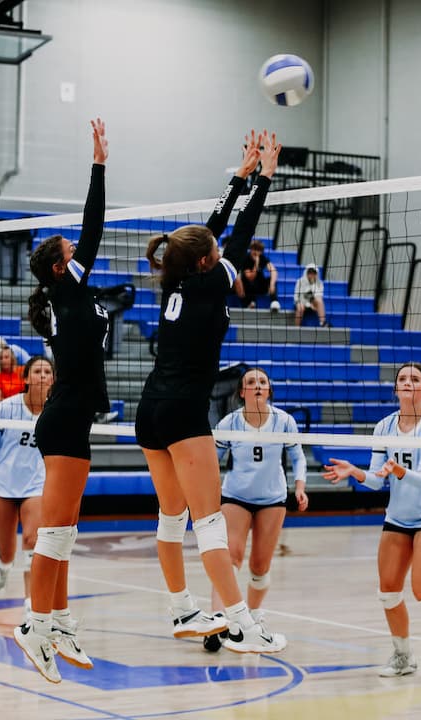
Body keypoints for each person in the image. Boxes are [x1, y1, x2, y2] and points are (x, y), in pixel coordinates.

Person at [135, 129, 286, 654]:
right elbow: (237, 231)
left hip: (149, 408)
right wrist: (263, 179)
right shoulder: (209, 282)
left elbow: (209, 230)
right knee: (210, 522)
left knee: (171, 517)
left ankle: (182, 610)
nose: (222, 252)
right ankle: (241, 621)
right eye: (216, 253)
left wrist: (237, 176)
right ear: (207, 262)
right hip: (180, 411)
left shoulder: (176, 278)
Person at [12, 118, 107, 683]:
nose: (80, 255)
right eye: (70, 253)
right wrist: (98, 164)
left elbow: (85, 240)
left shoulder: (68, 297)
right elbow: (91, 229)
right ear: (58, 267)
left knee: (66, 530)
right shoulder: (65, 289)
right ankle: (34, 622)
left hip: (72, 415)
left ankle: (61, 620)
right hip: (66, 416)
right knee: (56, 531)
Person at [323, 361, 421, 679]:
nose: (408, 383)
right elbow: (374, 480)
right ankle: (403, 656)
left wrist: (397, 470)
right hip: (398, 516)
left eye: (414, 379)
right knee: (388, 591)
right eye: (402, 379)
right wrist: (356, 472)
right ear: (396, 389)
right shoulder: (384, 427)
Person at [203, 368, 308, 652]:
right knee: (230, 556)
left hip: (272, 499)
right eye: (251, 382)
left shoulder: (284, 421)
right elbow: (213, 460)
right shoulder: (230, 422)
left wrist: (299, 487)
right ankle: (217, 622)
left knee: (260, 567)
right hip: (236, 496)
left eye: (263, 382)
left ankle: (253, 621)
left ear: (269, 390)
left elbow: (298, 457)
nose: (258, 386)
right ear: (241, 392)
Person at [0, 356, 55, 621]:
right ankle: (3, 566)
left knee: (32, 540)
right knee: (7, 550)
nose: (43, 376)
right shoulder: (6, 408)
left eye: (48, 372)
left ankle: (30, 600)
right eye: (38, 371)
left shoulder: (56, 412)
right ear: (26, 378)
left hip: (36, 486)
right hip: (2, 485)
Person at [238, 240, 279, 311]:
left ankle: (274, 302)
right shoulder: (246, 259)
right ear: (251, 249)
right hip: (248, 286)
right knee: (250, 282)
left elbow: (274, 271)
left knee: (271, 280)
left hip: (260, 286)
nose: (256, 252)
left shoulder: (262, 258)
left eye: (259, 250)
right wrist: (256, 264)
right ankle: (251, 303)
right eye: (254, 249)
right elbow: (250, 277)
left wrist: (272, 285)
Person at [293, 263, 329, 327]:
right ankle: (296, 328)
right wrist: (303, 303)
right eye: (310, 273)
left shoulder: (319, 284)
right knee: (300, 307)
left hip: (314, 304)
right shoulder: (300, 282)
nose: (311, 275)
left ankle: (323, 322)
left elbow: (318, 296)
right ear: (306, 273)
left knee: (319, 300)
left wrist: (312, 284)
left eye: (314, 273)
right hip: (302, 303)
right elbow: (296, 297)